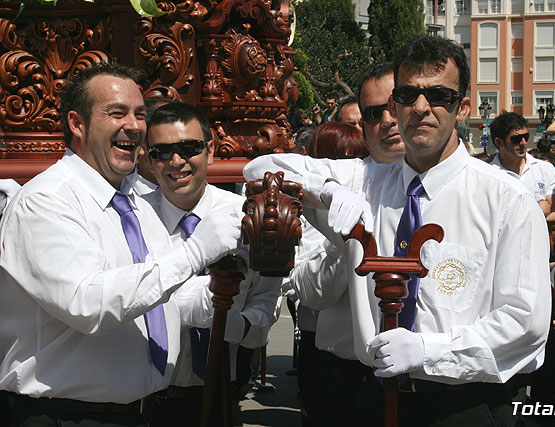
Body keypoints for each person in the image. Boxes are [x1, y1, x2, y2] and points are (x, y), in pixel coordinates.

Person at [244, 34, 550, 426]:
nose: (421, 108)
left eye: (439, 95)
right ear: (395, 104)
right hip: (373, 398)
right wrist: (328, 191)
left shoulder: (506, 199)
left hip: (464, 403)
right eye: (408, 95)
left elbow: (526, 322)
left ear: (463, 107)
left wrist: (429, 350)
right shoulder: (365, 182)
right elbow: (260, 168)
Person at [0, 63, 240, 426]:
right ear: (77, 124)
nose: (134, 125)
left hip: (144, 411)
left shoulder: (135, 205)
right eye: (116, 113)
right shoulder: (46, 201)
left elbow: (165, 303)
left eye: (140, 114)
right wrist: (195, 252)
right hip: (66, 415)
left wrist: (239, 277)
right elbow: (88, 304)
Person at [137, 101, 281, 426]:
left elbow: (267, 299)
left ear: (210, 149)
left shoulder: (246, 214)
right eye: (162, 152)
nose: (176, 162)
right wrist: (199, 305)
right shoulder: (132, 221)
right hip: (146, 398)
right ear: (148, 158)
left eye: (188, 148)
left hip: (222, 393)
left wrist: (242, 326)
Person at [289, 62, 404, 427]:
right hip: (346, 372)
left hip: (426, 378)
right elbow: (310, 295)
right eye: (372, 114)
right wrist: (344, 244)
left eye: (395, 104)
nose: (387, 120)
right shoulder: (339, 189)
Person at [291, 120, 370, 427]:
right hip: (329, 352)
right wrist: (341, 247)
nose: (345, 170)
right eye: (337, 159)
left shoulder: (371, 200)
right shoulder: (308, 214)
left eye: (356, 157)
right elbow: (313, 294)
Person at [489, 111, 555, 224]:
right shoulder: (489, 176)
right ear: (499, 142)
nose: (523, 143)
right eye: (516, 139)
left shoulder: (545, 169)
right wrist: (538, 211)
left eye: (526, 137)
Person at [358, 62, 405, 164]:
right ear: (362, 125)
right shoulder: (344, 178)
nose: (387, 120)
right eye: (374, 113)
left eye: (396, 107)